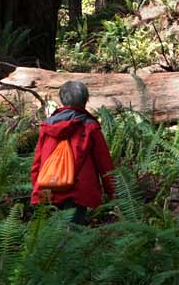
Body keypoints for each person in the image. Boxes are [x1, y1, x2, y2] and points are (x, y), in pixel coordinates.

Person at [29, 78, 116, 223]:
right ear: (85, 100)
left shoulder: (47, 126)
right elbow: (104, 163)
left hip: (49, 187)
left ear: (62, 100)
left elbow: (37, 162)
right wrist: (114, 192)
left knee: (52, 237)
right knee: (73, 236)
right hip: (79, 191)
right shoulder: (90, 126)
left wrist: (37, 189)